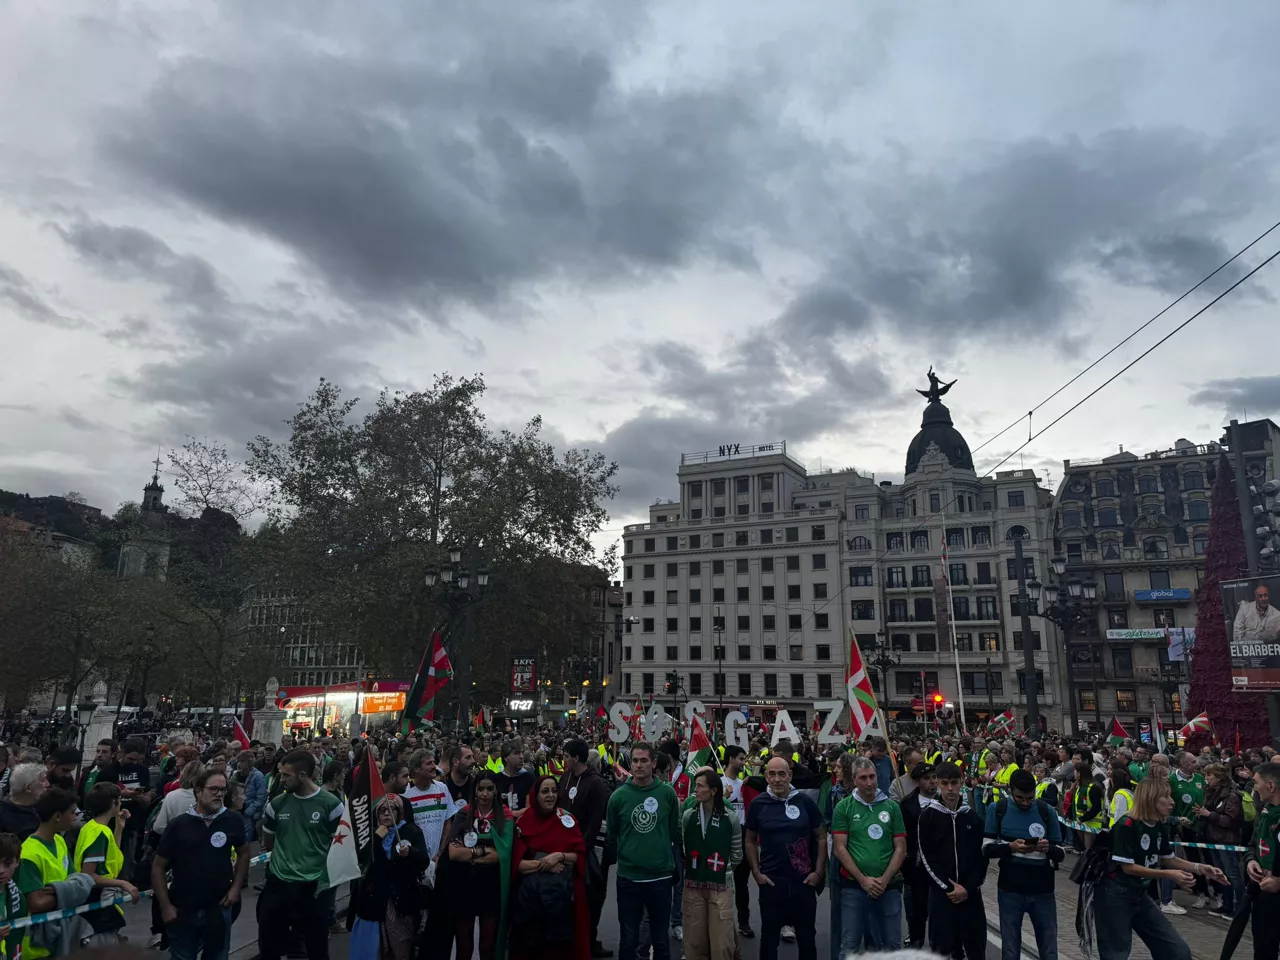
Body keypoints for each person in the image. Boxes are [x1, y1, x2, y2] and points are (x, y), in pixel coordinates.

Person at [1095, 776, 1225, 960]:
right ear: (1150, 798)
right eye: (1166, 796)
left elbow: (1168, 859)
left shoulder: (1158, 825)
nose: (1172, 801)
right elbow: (1128, 867)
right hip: (1116, 894)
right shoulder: (1126, 825)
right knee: (1116, 953)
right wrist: (1168, 874)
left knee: (1177, 951)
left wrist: (1201, 868)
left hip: (1139, 894)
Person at [18, 787, 138, 959]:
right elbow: (37, 903)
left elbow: (77, 879)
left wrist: (62, 890)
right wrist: (70, 891)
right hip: (37, 945)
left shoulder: (59, 841)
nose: (76, 817)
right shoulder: (29, 854)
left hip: (60, 935)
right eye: (72, 812)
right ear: (57, 816)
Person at [153, 769, 250, 960]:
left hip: (219, 907)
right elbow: (158, 866)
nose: (219, 794)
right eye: (213, 789)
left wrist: (235, 889)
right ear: (198, 791)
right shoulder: (179, 825)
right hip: (183, 908)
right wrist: (165, 906)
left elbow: (244, 853)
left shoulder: (232, 820)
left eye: (222, 790)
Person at [258, 749, 344, 960]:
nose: (281, 779)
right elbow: (268, 841)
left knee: (316, 946)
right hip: (279, 883)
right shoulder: (277, 803)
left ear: (303, 775)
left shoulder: (332, 805)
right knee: (268, 944)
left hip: (314, 886)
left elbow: (338, 846)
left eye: (286, 775)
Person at [744, 756, 825, 960]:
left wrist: (818, 872)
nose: (777, 779)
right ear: (766, 776)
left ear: (790, 775)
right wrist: (756, 872)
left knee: (807, 939)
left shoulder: (804, 801)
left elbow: (821, 836)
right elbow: (750, 840)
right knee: (769, 940)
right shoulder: (758, 804)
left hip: (803, 883)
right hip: (772, 884)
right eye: (772, 774)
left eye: (782, 774)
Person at [606, 742, 681, 960]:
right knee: (628, 940)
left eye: (644, 760)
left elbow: (674, 833)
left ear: (653, 763)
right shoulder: (618, 797)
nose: (639, 765)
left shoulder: (667, 794)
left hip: (660, 878)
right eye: (635, 761)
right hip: (629, 879)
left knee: (661, 941)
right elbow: (613, 833)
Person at [982, 769, 1063, 960]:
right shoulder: (998, 809)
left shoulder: (1046, 811)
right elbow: (986, 849)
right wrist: (1010, 847)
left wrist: (1048, 848)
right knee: (1010, 950)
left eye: (1030, 798)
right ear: (1010, 790)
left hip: (1043, 890)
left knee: (1049, 950)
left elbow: (1060, 853)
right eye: (1020, 798)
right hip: (1010, 889)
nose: (1026, 803)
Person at [511, 774, 590, 960]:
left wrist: (560, 856)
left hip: (564, 900)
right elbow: (517, 865)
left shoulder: (567, 819)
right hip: (531, 903)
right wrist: (546, 864)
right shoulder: (524, 822)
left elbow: (578, 857)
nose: (550, 795)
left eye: (554, 791)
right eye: (545, 791)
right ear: (535, 795)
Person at [832, 757, 906, 953]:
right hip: (854, 887)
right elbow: (840, 848)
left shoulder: (892, 807)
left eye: (872, 777)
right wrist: (863, 880)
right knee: (850, 945)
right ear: (854, 779)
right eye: (863, 778)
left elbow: (900, 848)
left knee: (892, 945)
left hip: (889, 887)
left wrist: (884, 880)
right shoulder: (844, 807)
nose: (869, 782)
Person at [918, 762, 987, 960]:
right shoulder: (928, 816)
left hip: (970, 894)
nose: (950, 788)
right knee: (942, 949)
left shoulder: (972, 818)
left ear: (962, 783)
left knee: (976, 949)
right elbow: (927, 857)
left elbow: (981, 857)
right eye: (945, 783)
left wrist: (968, 888)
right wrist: (948, 887)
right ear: (938, 784)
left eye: (954, 783)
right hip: (943, 895)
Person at [349, 794, 427, 960]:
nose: (386, 813)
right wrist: (377, 838)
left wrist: (410, 852)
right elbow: (363, 862)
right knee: (374, 950)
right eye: (382, 810)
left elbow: (424, 861)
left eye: (392, 809)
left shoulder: (411, 831)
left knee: (401, 949)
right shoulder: (369, 834)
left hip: (401, 901)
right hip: (373, 902)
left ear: (400, 813)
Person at [446, 770, 514, 960]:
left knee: (487, 945)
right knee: (464, 945)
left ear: (496, 790)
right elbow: (453, 853)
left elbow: (501, 855)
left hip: (492, 888)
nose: (485, 794)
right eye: (481, 789)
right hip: (464, 886)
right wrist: (483, 851)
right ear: (475, 790)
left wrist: (469, 854)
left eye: (489, 789)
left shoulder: (505, 816)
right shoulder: (464, 814)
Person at [677, 770, 741, 960]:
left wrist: (723, 871)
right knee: (694, 940)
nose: (695, 790)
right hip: (694, 884)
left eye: (700, 786)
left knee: (722, 942)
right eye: (695, 785)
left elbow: (737, 854)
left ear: (714, 790)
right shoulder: (688, 816)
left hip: (720, 885)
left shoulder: (730, 818)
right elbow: (685, 847)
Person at [557, 738, 611, 958]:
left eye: (566, 756)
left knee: (591, 896)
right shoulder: (565, 778)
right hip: (563, 847)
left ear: (576, 758)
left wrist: (581, 848)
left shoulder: (595, 783)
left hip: (586, 850)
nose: (563, 760)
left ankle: (590, 940)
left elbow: (596, 820)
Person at [74, 783, 134, 944]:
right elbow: (88, 875)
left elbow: (111, 856)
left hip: (94, 898)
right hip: (98, 902)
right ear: (114, 803)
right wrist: (122, 883)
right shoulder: (100, 833)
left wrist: (119, 827)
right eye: (120, 799)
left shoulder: (92, 828)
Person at [1199, 762, 1244, 919]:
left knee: (1232, 874)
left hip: (1227, 841)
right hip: (1213, 838)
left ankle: (1240, 907)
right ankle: (1227, 904)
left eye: (1209, 775)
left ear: (1219, 776)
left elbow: (1231, 820)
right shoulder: (1212, 793)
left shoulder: (1232, 796)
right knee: (1221, 873)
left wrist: (1209, 815)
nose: (1206, 778)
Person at [900, 762, 937, 949]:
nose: (932, 782)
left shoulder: (944, 802)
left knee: (939, 915)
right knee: (916, 913)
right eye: (927, 778)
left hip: (939, 869)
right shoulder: (907, 805)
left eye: (934, 777)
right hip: (916, 868)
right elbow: (902, 837)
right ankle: (915, 941)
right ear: (917, 782)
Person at [1246, 762, 1280, 957]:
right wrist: (1251, 861)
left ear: (1271, 786)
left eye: (1256, 782)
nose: (1254, 788)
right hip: (1263, 894)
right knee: (1263, 948)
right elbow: (1253, 844)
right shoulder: (1265, 813)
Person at [0, 765, 45, 842]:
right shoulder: (3, 814)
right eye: (43, 780)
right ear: (28, 788)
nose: (47, 784)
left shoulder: (43, 807)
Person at [0, 832, 25, 960]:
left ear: (17, 862)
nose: (1, 870)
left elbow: (17, 937)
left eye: (7, 863)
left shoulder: (18, 898)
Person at [498, 742, 535, 815]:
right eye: (516, 753)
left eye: (522, 753)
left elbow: (530, 809)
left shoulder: (528, 777)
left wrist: (511, 814)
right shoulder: (497, 779)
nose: (521, 756)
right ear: (506, 758)